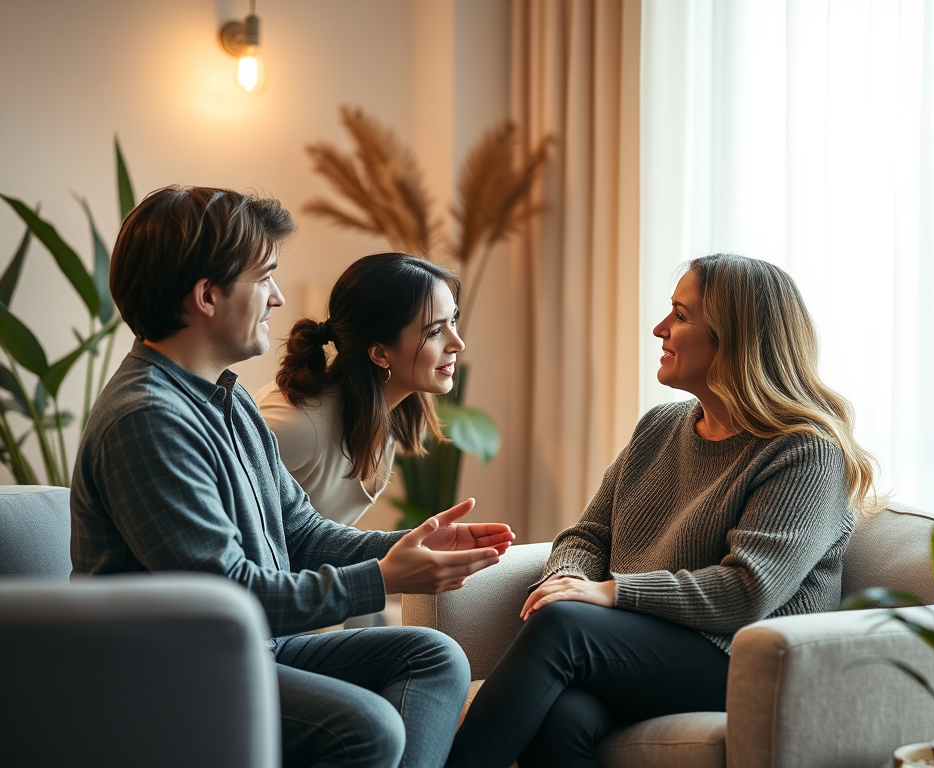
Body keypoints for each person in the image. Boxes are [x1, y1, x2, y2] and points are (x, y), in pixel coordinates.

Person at [70, 185, 515, 768]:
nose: (279, 298)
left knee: (434, 657)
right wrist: (380, 580)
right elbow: (223, 596)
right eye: (264, 278)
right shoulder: (148, 419)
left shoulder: (227, 403)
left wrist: (410, 548)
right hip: (170, 670)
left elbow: (301, 532)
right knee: (368, 728)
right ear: (206, 296)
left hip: (246, 648)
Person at [444, 253, 879, 768]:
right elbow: (588, 535)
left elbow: (748, 590)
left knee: (564, 628)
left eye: (680, 314)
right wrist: (568, 578)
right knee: (562, 718)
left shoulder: (803, 452)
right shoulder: (659, 427)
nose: (659, 328)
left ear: (734, 337)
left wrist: (608, 593)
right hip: (648, 647)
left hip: (744, 658)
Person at [257, 252, 463, 527]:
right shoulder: (297, 426)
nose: (457, 343)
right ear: (380, 353)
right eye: (435, 332)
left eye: (453, 321)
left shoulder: (386, 410)